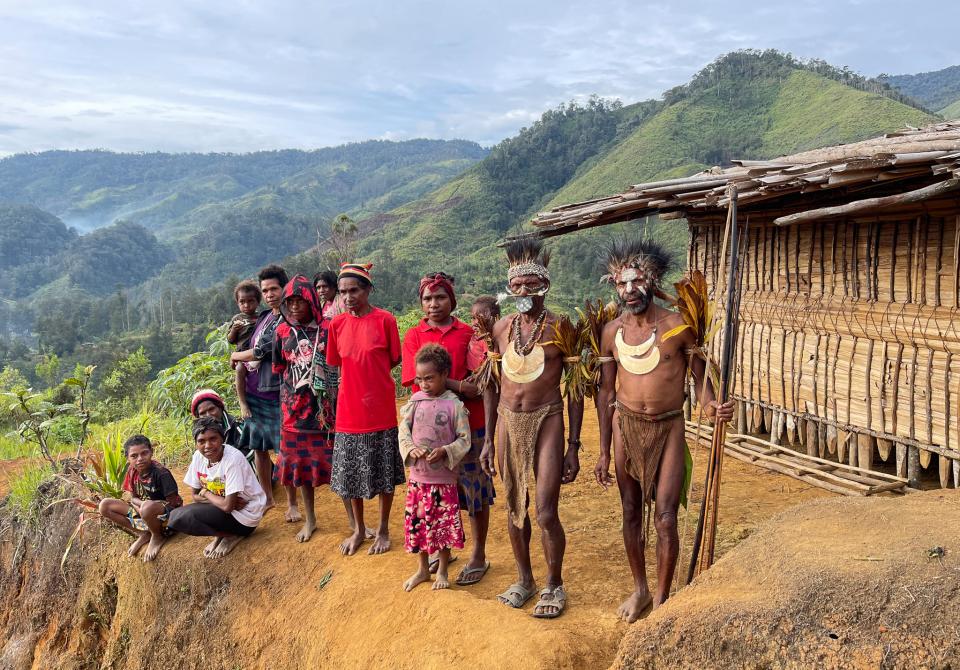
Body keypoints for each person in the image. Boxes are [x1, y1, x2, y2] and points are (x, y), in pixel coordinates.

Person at [594, 238, 734, 622]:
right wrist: (604, 451)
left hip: (669, 427)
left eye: (637, 282)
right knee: (630, 510)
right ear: (614, 286)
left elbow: (700, 377)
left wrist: (710, 405)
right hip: (626, 427)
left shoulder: (678, 326)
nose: (629, 291)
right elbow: (607, 390)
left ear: (652, 282)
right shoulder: (611, 332)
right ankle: (640, 589)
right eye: (622, 284)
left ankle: (661, 599)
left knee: (666, 516)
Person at [483, 238, 583, 618]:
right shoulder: (501, 329)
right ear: (510, 289)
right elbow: (492, 385)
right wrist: (490, 439)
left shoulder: (561, 329)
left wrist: (573, 445)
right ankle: (524, 579)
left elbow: (574, 392)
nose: (524, 291)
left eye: (531, 285)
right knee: (514, 507)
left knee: (544, 511)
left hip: (547, 419)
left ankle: (554, 584)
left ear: (545, 286)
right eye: (517, 286)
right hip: (509, 420)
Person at [401, 273, 495, 586]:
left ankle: (478, 554)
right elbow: (416, 381)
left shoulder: (468, 332)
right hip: (428, 432)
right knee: (433, 494)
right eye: (427, 298)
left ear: (451, 300)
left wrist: (455, 386)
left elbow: (481, 384)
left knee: (474, 491)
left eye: (440, 297)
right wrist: (457, 385)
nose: (433, 304)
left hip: (470, 424)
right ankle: (438, 550)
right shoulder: (414, 335)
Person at [327, 262, 405, 556]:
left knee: (385, 471)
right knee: (350, 474)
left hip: (380, 407)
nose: (348, 297)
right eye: (343, 292)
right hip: (348, 409)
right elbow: (336, 363)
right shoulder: (336, 325)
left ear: (368, 290)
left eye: (354, 290)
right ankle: (359, 528)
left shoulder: (386, 320)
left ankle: (383, 528)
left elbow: (393, 359)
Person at [399, 343, 471, 591]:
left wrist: (445, 451)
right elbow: (403, 432)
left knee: (442, 525)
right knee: (418, 525)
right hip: (418, 479)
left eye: (429, 378)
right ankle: (422, 569)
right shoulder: (414, 402)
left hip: (443, 479)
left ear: (444, 375)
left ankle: (442, 570)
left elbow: (464, 440)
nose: (423, 384)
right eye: (419, 379)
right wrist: (411, 449)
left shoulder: (455, 406)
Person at [271, 275, 336, 542]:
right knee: (302, 470)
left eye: (300, 301)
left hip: (325, 412)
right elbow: (279, 368)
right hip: (294, 414)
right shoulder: (282, 332)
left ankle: (356, 523)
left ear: (311, 301)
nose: (295, 307)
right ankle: (310, 520)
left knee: (337, 466)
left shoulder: (329, 328)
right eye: (291, 302)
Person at [230, 265, 296, 516]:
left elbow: (265, 349)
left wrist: (236, 354)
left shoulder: (288, 318)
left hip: (277, 392)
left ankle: (291, 503)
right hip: (255, 392)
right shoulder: (267, 317)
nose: (269, 294)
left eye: (274, 289)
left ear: (284, 288)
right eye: (265, 290)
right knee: (259, 447)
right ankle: (267, 497)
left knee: (283, 450)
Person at [168, 417, 267, 559]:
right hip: (228, 508)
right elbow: (195, 496)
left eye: (213, 439)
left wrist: (206, 493)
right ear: (196, 444)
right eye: (201, 441)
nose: (207, 445)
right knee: (175, 517)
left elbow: (227, 506)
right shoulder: (198, 457)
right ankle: (220, 535)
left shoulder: (232, 460)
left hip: (246, 515)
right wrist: (220, 500)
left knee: (187, 515)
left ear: (222, 439)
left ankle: (232, 535)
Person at [98, 435, 183, 562]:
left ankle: (157, 536)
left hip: (167, 521)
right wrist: (141, 507)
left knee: (148, 507)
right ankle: (144, 533)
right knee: (105, 505)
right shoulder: (132, 471)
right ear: (128, 458)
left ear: (151, 452)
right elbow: (133, 498)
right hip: (144, 513)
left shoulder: (161, 473)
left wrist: (146, 508)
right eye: (134, 456)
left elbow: (174, 504)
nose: (140, 459)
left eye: (144, 453)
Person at [227, 280, 262, 349]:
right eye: (242, 302)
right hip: (241, 353)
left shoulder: (262, 318)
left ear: (258, 302)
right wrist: (234, 330)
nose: (246, 305)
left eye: (250, 301)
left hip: (257, 352)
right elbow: (230, 340)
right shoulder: (237, 319)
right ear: (238, 303)